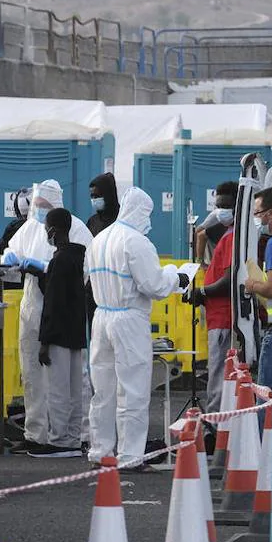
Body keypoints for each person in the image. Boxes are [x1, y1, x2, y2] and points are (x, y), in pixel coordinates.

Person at [86, 187, 187, 471]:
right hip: (128, 319)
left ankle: (101, 452)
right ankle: (130, 456)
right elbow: (153, 286)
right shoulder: (137, 242)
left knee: (103, 390)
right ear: (141, 212)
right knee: (132, 390)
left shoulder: (100, 239)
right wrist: (174, 277)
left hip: (102, 316)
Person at [2, 180, 93, 454]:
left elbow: (84, 269)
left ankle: (72, 434)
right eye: (38, 206)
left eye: (45, 207)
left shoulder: (75, 228)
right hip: (33, 305)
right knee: (32, 373)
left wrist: (45, 268)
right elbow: (11, 249)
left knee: (67, 378)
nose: (40, 211)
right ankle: (37, 432)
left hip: (60, 308)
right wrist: (11, 255)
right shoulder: (31, 227)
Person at [32, 208, 87, 458]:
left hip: (57, 334)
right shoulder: (78, 257)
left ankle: (58, 440)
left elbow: (51, 303)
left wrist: (44, 341)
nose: (46, 233)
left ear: (53, 230)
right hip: (76, 333)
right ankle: (73, 437)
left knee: (57, 390)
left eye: (46, 228)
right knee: (75, 389)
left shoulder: (59, 260)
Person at [186, 207, 237, 420]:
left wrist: (202, 291)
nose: (219, 211)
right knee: (218, 372)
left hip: (223, 317)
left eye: (224, 206)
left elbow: (228, 281)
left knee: (218, 375)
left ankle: (216, 426)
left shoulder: (232, 237)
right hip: (217, 315)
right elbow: (200, 232)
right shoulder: (227, 234)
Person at [244, 186, 272, 389]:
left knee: (266, 394)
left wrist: (252, 285)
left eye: (257, 213)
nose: (256, 218)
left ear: (270, 214)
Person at [193, 181, 238, 264]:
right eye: (219, 206)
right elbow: (199, 233)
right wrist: (199, 260)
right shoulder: (216, 214)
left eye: (227, 206)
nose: (222, 211)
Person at [86, 173, 120, 238]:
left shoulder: (121, 219)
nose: (94, 200)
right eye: (92, 196)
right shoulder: (92, 222)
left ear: (108, 195)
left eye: (97, 196)